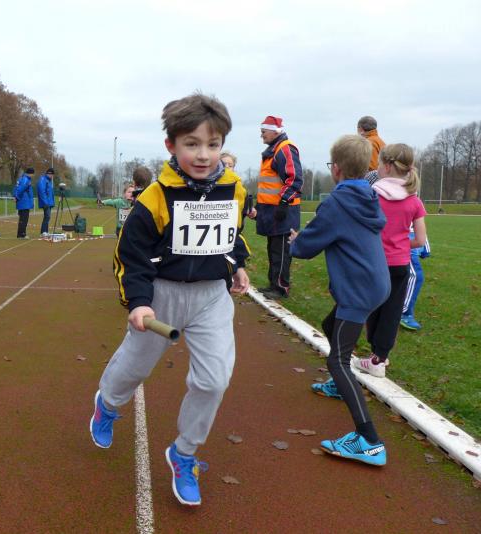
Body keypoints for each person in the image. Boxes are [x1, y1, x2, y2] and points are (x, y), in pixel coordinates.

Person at [89, 93, 251, 506]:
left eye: (213, 144)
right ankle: (108, 404)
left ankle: (184, 453)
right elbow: (131, 256)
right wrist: (139, 302)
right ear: (171, 146)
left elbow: (233, 237)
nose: (203, 155)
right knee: (134, 367)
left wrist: (236, 264)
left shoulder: (234, 190)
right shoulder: (154, 199)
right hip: (162, 295)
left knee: (214, 380)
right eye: (192, 144)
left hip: (212, 299)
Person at [290, 134, 390, 466]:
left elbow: (304, 249)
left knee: (338, 360)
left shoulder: (337, 202)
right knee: (330, 325)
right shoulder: (368, 196)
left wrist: (295, 240)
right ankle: (339, 385)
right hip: (376, 284)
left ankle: (370, 442)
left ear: (336, 169)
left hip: (359, 290)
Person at [353, 143, 427, 378]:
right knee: (392, 311)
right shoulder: (414, 200)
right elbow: (420, 239)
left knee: (372, 307)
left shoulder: (371, 194)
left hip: (373, 262)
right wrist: (401, 245)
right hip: (400, 265)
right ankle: (380, 357)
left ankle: (373, 358)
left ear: (386, 166)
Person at [256, 115, 303, 300]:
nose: (261, 135)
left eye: (263, 132)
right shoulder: (274, 150)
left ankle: (281, 287)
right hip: (272, 210)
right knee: (274, 249)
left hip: (283, 210)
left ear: (275, 131)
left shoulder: (285, 148)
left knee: (281, 250)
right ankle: (274, 283)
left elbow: (294, 179)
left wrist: (284, 202)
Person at [400, 233, 430, 330]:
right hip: (403, 246)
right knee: (415, 277)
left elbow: (417, 225)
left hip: (406, 244)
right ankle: (404, 312)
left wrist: (425, 246)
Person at [13, 167, 34, 238]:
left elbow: (16, 188)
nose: (33, 176)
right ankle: (22, 234)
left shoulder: (21, 179)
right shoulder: (25, 180)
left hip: (22, 202)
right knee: (24, 219)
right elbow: (20, 189)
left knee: (22, 218)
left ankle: (20, 234)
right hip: (24, 202)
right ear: (30, 173)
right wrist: (16, 197)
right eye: (32, 174)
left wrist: (15, 196)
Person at [37, 168, 56, 236]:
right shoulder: (43, 180)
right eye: (51, 175)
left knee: (47, 217)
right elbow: (42, 191)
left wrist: (52, 202)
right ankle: (43, 232)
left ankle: (46, 231)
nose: (52, 176)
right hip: (46, 202)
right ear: (49, 173)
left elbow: (50, 193)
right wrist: (45, 202)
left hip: (49, 202)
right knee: (47, 216)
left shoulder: (48, 181)